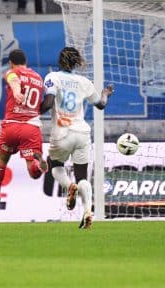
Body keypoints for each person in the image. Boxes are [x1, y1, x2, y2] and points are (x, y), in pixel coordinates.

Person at [40, 47, 114, 229]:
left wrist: (33, 111)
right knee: (83, 176)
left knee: (56, 166)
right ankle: (88, 210)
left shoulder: (52, 77)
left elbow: (48, 103)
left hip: (62, 131)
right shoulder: (84, 81)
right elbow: (101, 105)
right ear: (76, 63)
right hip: (82, 132)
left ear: (60, 61)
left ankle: (69, 186)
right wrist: (105, 93)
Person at [0, 49, 48, 203]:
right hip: (31, 127)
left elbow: (14, 80)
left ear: (11, 62)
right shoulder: (38, 78)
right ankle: (37, 163)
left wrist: (16, 92)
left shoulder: (12, 72)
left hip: (11, 126)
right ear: (26, 61)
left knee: (2, 160)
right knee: (34, 173)